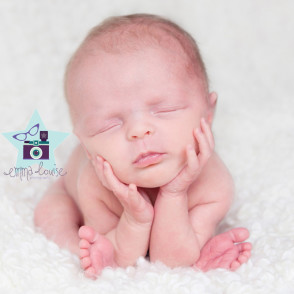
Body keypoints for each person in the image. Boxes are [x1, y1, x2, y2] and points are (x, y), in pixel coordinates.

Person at [34, 14, 251, 279]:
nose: (138, 131)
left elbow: (170, 262)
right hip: (72, 195)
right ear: (87, 147)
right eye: (108, 125)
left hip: (182, 214)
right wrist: (134, 220)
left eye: (165, 109)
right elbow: (123, 260)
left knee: (187, 250)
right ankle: (73, 249)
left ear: (207, 114)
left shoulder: (212, 184)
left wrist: (174, 193)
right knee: (50, 211)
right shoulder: (95, 185)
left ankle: (201, 252)